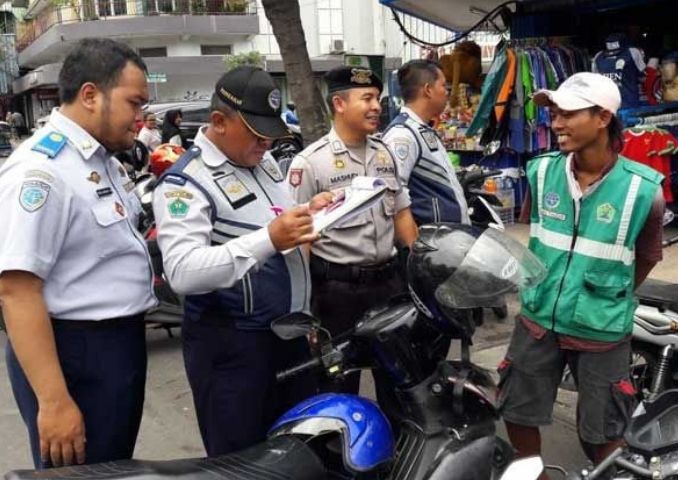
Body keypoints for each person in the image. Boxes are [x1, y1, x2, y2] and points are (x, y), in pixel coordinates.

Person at [152, 66, 333, 456]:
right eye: (255, 131)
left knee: (297, 454)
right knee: (243, 460)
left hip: (287, 336)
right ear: (219, 121)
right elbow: (182, 272)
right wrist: (269, 239)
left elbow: (275, 217)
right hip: (233, 347)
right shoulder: (186, 183)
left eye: (271, 131)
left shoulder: (263, 162)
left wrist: (309, 211)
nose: (266, 141)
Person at [497, 72, 665, 478]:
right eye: (554, 114)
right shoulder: (540, 173)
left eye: (568, 114)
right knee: (518, 411)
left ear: (603, 117)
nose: (556, 124)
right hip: (537, 319)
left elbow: (646, 258)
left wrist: (606, 295)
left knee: (601, 432)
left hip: (600, 329)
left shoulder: (644, 191)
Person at [0, 38, 156, 468]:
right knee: (78, 472)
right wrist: (53, 402)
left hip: (113, 348)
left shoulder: (98, 158)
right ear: (90, 95)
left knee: (109, 466)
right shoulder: (43, 171)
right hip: (76, 355)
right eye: (134, 103)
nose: (140, 118)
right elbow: (17, 291)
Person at [285, 66, 418, 394]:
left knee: (399, 383)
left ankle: (398, 445)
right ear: (339, 104)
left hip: (387, 286)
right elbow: (298, 239)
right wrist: (303, 306)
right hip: (337, 295)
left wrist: (419, 265)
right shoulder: (310, 163)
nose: (376, 106)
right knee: (338, 387)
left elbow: (401, 213)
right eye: (367, 98)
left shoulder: (385, 154)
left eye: (378, 99)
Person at [383, 59, 470, 226]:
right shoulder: (403, 135)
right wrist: (413, 244)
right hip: (429, 244)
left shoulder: (421, 128)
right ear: (428, 90)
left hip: (447, 241)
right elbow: (394, 196)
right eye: (444, 86)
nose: (447, 92)